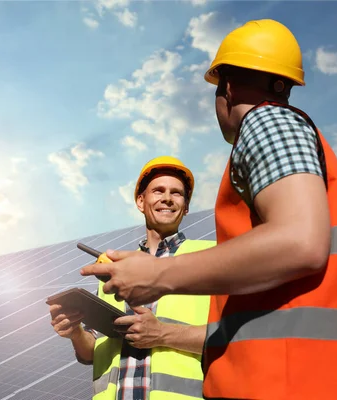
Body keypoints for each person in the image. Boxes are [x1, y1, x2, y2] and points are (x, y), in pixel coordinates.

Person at [80, 19, 337, 400]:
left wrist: (158, 274)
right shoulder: (293, 139)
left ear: (226, 88)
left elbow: (300, 241)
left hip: (295, 381)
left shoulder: (266, 121)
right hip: (319, 377)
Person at [50, 156, 215, 400]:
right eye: (158, 190)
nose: (167, 198)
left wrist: (163, 334)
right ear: (141, 201)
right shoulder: (113, 270)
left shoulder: (211, 259)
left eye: (177, 193)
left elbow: (235, 338)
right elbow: (91, 352)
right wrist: (74, 331)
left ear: (186, 206)